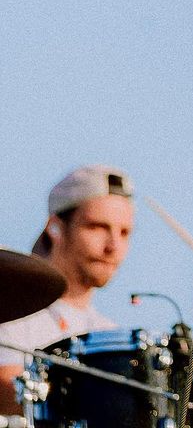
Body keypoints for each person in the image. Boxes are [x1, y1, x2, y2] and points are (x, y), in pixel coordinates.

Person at [0, 165, 134, 415]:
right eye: (97, 227)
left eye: (125, 233)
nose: (113, 246)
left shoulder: (112, 338)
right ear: (55, 227)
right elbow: (6, 391)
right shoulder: (10, 311)